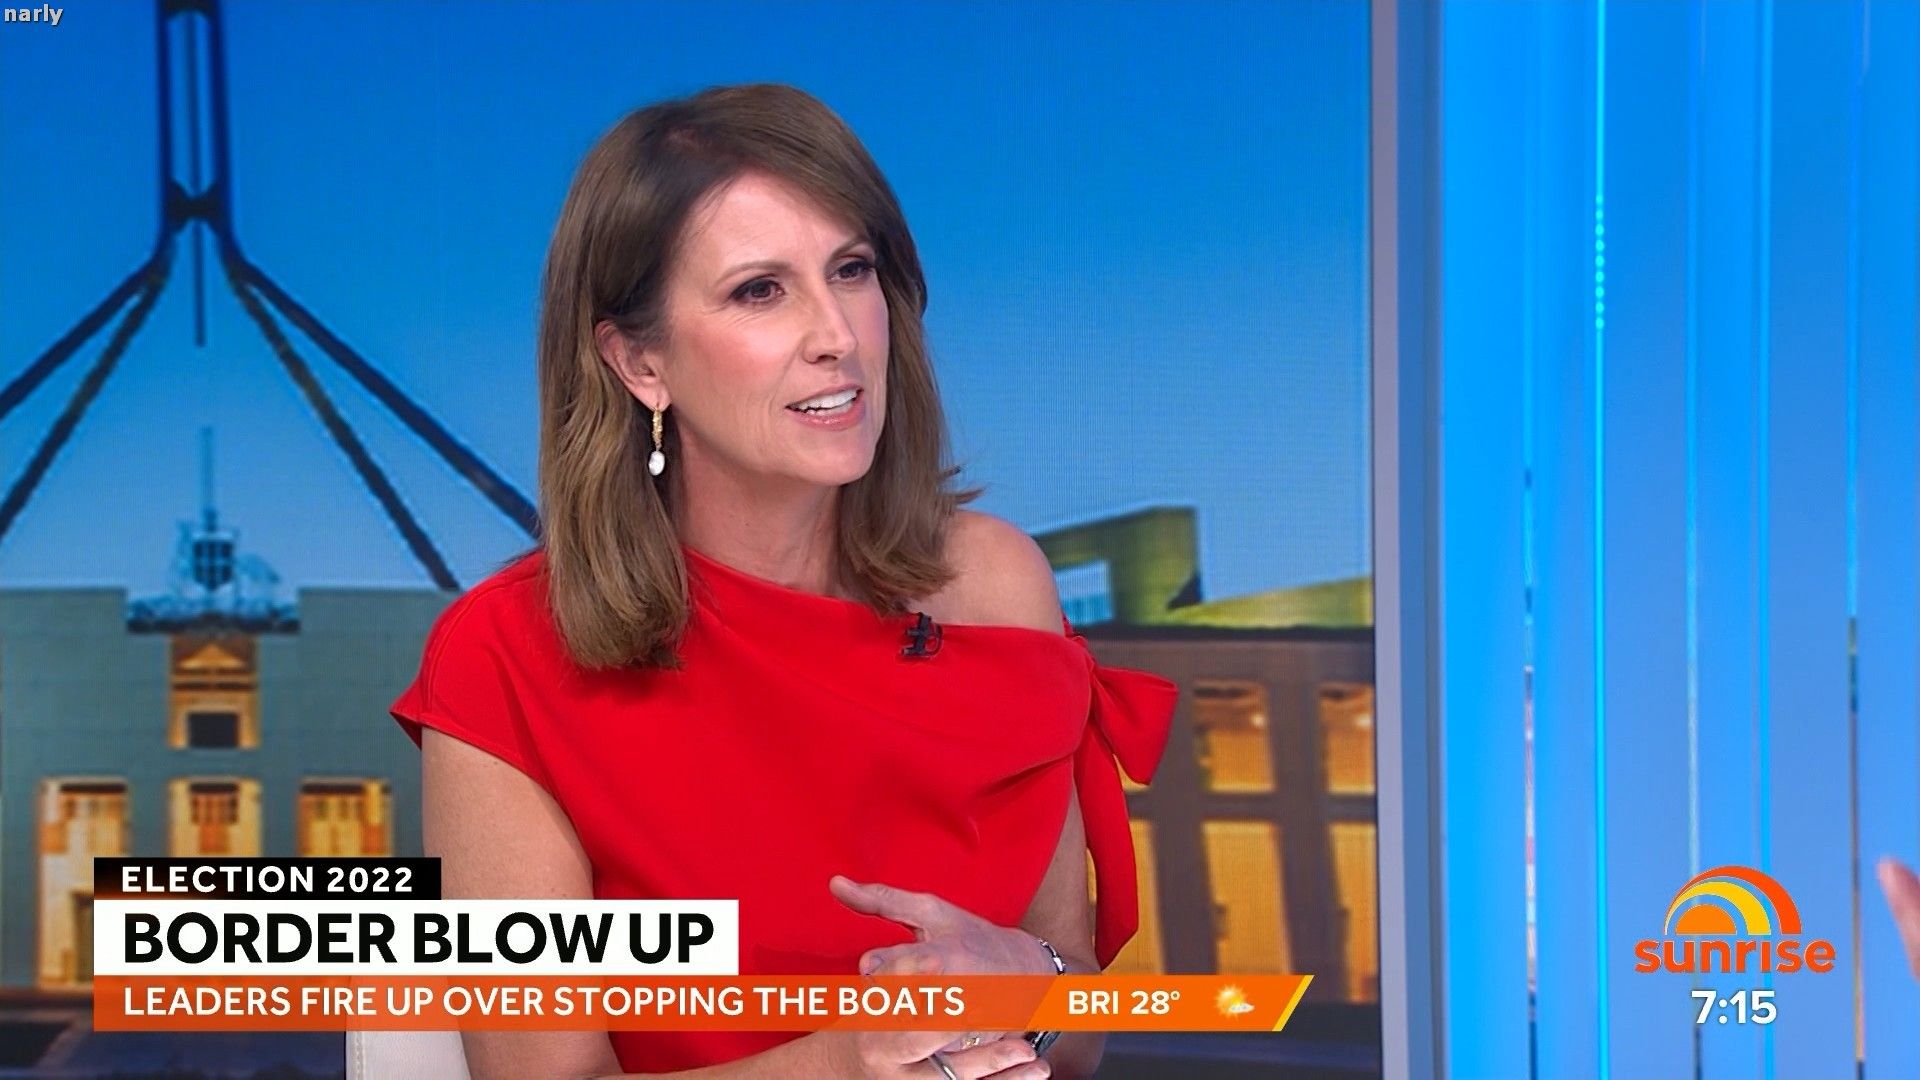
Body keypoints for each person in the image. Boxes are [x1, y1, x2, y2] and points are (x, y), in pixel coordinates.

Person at [388, 82, 1177, 1080]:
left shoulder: (996, 587)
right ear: (639, 362)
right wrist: (850, 1060)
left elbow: (1075, 1029)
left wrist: (1034, 987)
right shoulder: (506, 655)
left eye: (852, 270)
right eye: (760, 291)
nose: (837, 333)